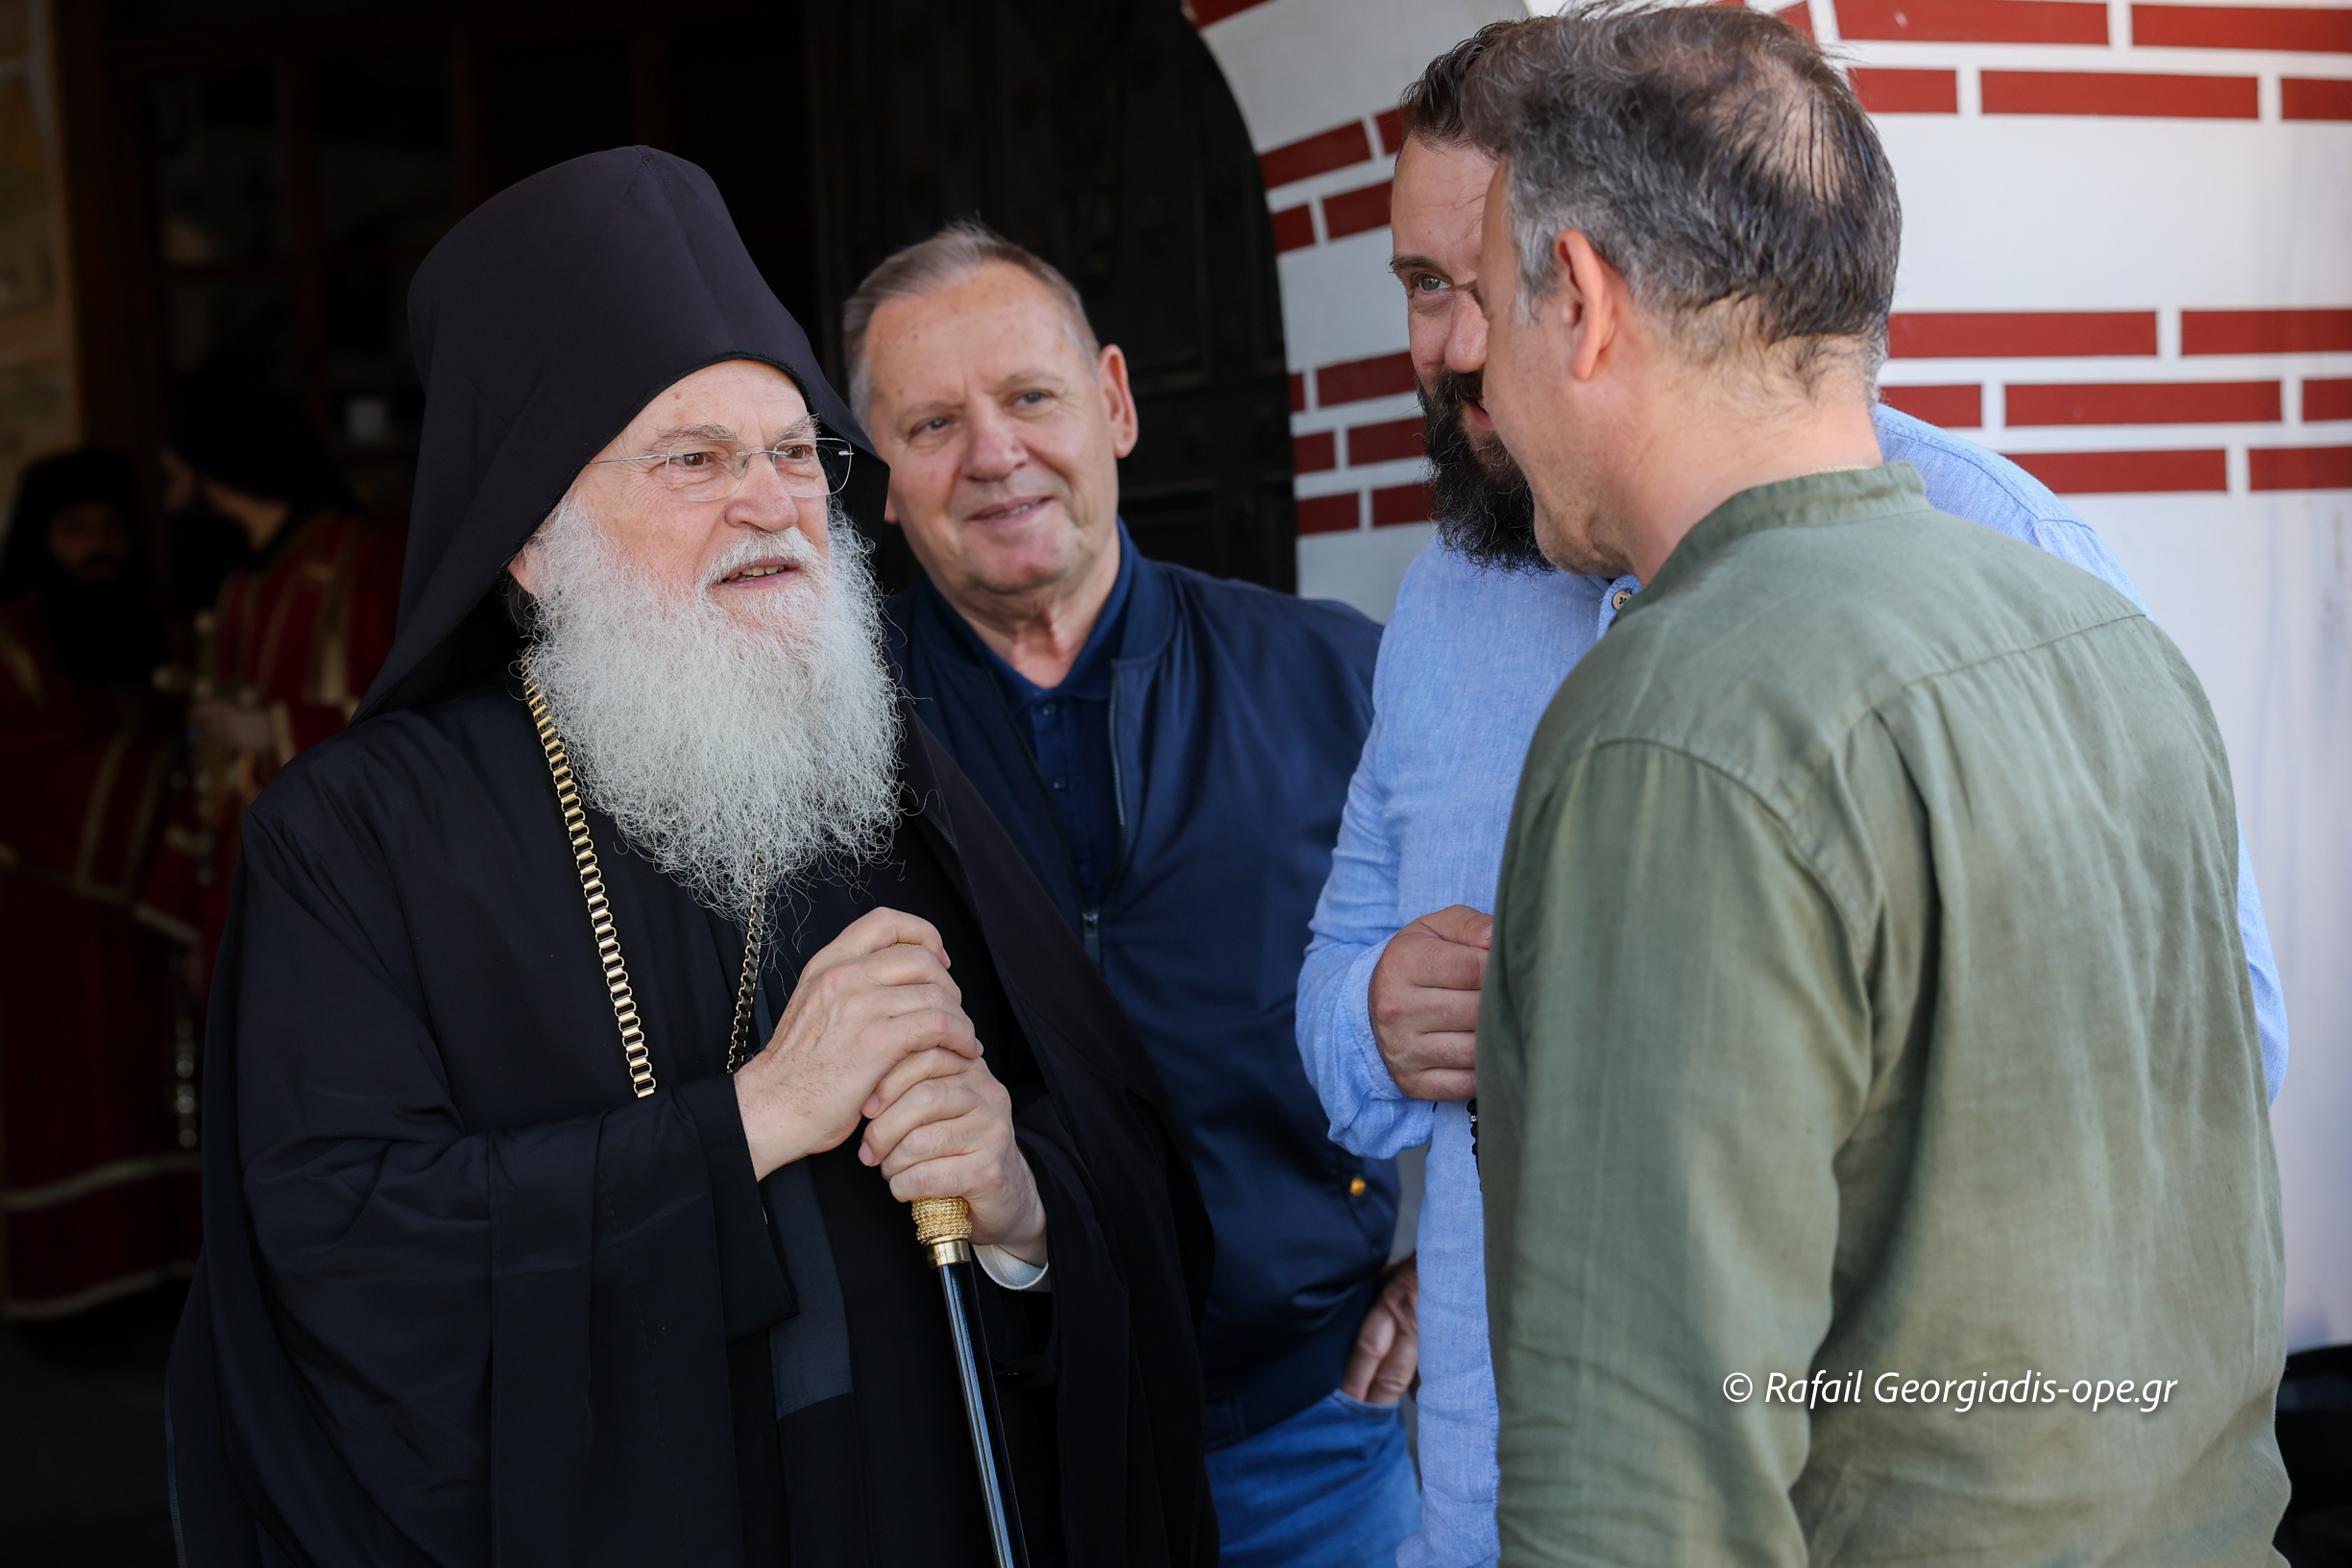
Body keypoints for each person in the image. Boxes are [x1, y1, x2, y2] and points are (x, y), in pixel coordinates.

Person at [1295, 21, 2293, 1568]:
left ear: (1585, 298)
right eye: (1426, 290)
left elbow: (1645, 1481)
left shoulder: (1668, 719)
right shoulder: (2096, 640)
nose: (1462, 352)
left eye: (1485, 290)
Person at [166, 148, 1216, 1568]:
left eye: (794, 452)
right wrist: (756, 1118)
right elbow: (343, 1255)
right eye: (695, 460)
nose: (772, 501)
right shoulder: (354, 839)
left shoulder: (881, 773)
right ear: (532, 540)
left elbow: (1118, 1168)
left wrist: (1022, 1202)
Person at [849, 224, 1418, 1567]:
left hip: (1310, 1437)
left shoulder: (1335, 678)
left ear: (1112, 402)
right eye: (932, 423)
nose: (994, 453)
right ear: (881, 480)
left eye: (1029, 396)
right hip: (987, 1448)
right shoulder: (822, 742)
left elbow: (1507, 986)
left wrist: (1453, 1250)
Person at [0, 448, 199, 1319]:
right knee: (71, 1099)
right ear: (41, 542)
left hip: (162, 908)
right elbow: (23, 768)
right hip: (52, 922)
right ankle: (73, 1295)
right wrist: (169, 780)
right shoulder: (13, 638)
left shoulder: (154, 628)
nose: (98, 547)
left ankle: (169, 1267)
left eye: (111, 528)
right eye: (76, 530)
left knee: (164, 1090)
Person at [156, 377, 405, 985]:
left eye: (176, 478)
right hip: (245, 876)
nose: (172, 505)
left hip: (349, 877)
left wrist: (273, 729)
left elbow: (416, 715)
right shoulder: (241, 585)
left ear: (218, 474)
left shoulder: (370, 562)